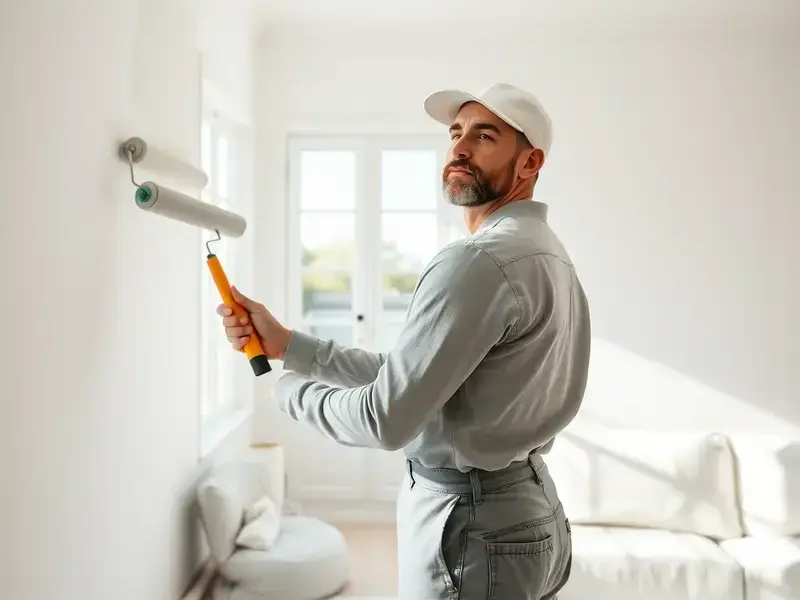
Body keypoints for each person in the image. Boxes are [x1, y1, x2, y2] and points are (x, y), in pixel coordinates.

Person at [218, 82, 591, 600]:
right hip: (529, 511)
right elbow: (415, 376)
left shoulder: (478, 262)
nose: (459, 148)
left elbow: (385, 416)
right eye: (456, 133)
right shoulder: (546, 253)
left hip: (472, 529)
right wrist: (290, 346)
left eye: (485, 136)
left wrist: (286, 391)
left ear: (530, 163)